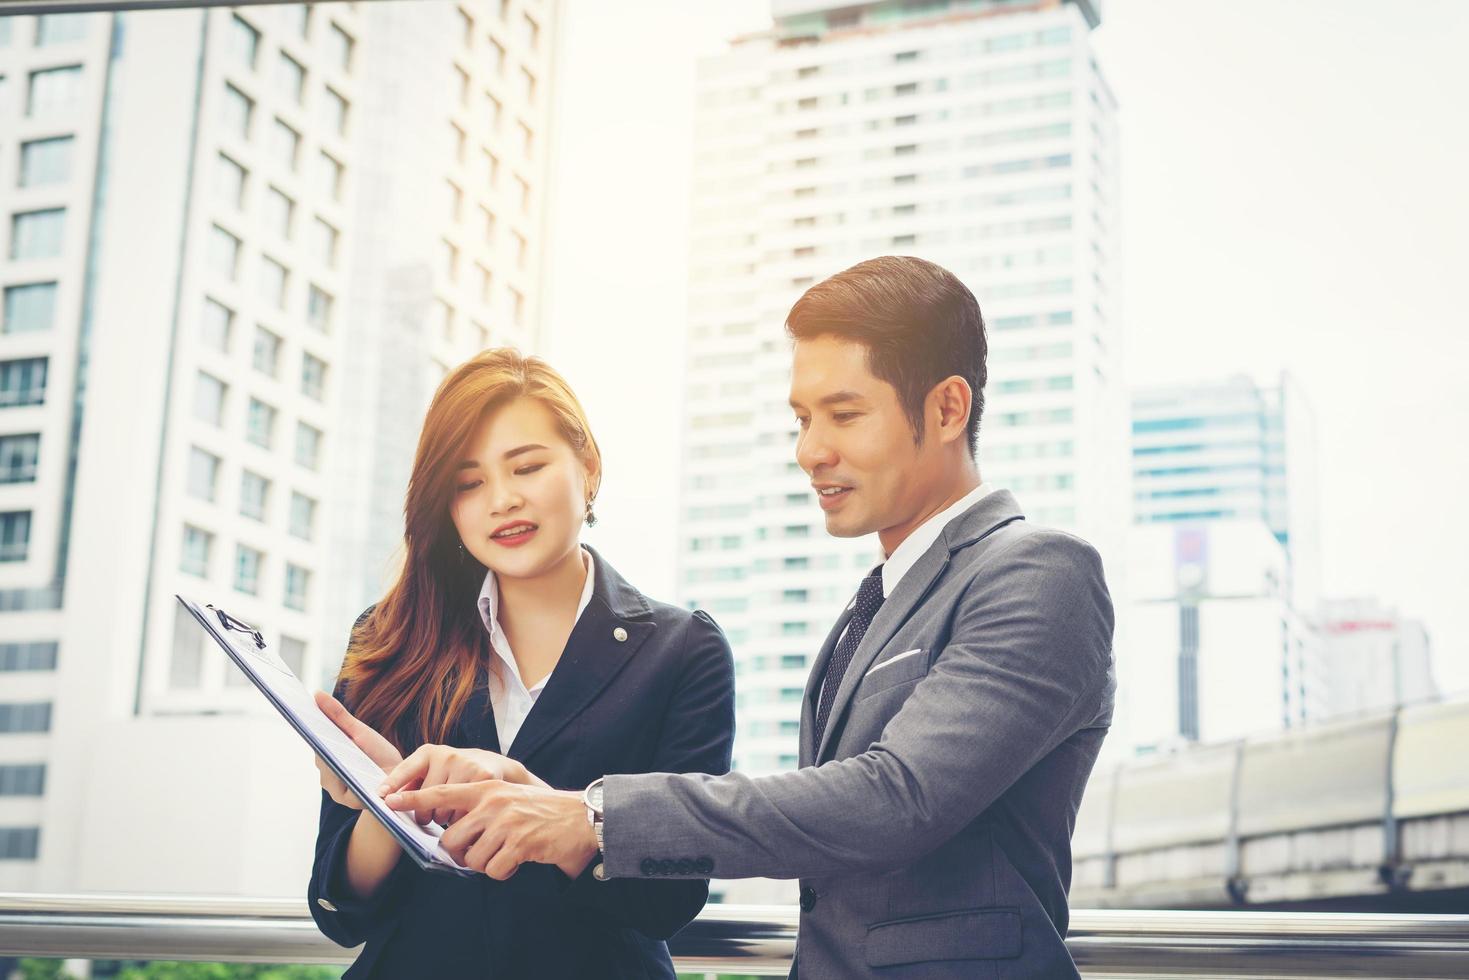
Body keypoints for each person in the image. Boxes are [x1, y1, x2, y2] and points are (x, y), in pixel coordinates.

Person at [374, 256, 1117, 979]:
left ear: (947, 408)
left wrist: (591, 817)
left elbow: (895, 798)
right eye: (801, 418)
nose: (810, 451)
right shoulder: (877, 602)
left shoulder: (1039, 571)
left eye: (844, 415)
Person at [306, 349, 736, 979]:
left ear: (587, 466)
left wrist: (555, 822)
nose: (501, 500)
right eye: (469, 483)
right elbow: (342, 914)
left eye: (527, 467)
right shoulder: (391, 636)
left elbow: (666, 901)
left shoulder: (682, 651)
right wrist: (389, 806)